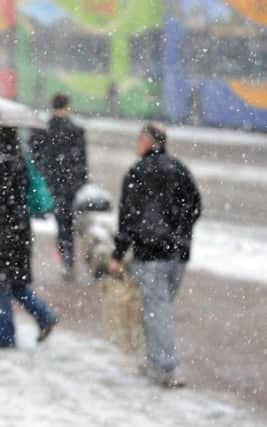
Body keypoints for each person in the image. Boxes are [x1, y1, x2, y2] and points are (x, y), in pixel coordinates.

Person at [108, 122, 202, 388]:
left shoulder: (137, 173)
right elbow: (195, 205)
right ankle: (154, 362)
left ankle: (166, 367)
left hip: (151, 254)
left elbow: (127, 218)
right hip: (178, 254)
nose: (137, 143)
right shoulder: (179, 169)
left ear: (149, 141)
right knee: (160, 307)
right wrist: (181, 233)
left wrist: (117, 254)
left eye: (140, 139)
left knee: (156, 310)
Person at [0, 127, 57, 348]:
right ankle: (44, 316)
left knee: (0, 283)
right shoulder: (18, 159)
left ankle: (6, 335)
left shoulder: (2, 163)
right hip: (19, 229)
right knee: (15, 283)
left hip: (5, 232)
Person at [31, 93, 88, 279]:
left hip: (51, 182)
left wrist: (44, 173)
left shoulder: (44, 128)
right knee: (67, 222)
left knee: (60, 220)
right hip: (69, 184)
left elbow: (35, 153)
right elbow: (82, 160)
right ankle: (67, 257)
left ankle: (65, 255)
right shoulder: (76, 130)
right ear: (68, 106)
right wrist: (79, 180)